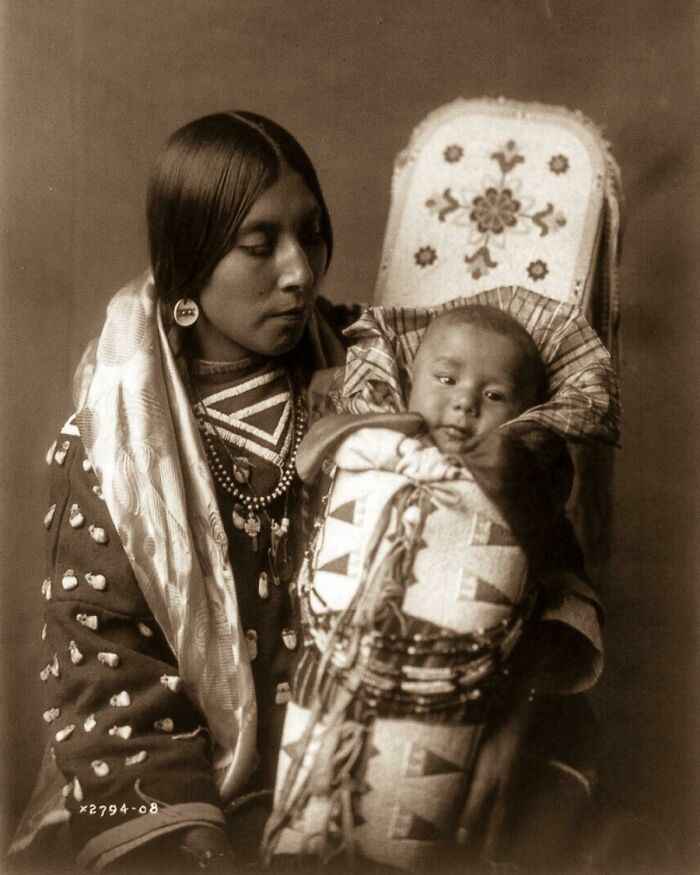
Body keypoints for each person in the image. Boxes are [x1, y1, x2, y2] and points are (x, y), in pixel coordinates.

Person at [11, 111, 360, 873]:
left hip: (355, 778)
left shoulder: (376, 372)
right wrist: (192, 836)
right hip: (189, 796)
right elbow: (106, 662)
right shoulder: (113, 444)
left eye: (313, 233)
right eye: (260, 246)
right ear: (190, 259)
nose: (300, 271)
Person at [263, 303, 609, 871]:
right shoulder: (365, 450)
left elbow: (563, 586)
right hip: (331, 679)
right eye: (445, 379)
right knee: (303, 827)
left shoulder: (521, 489)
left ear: (528, 412)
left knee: (408, 831)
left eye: (494, 395)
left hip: (451, 704)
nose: (465, 401)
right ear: (408, 378)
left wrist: (517, 704)